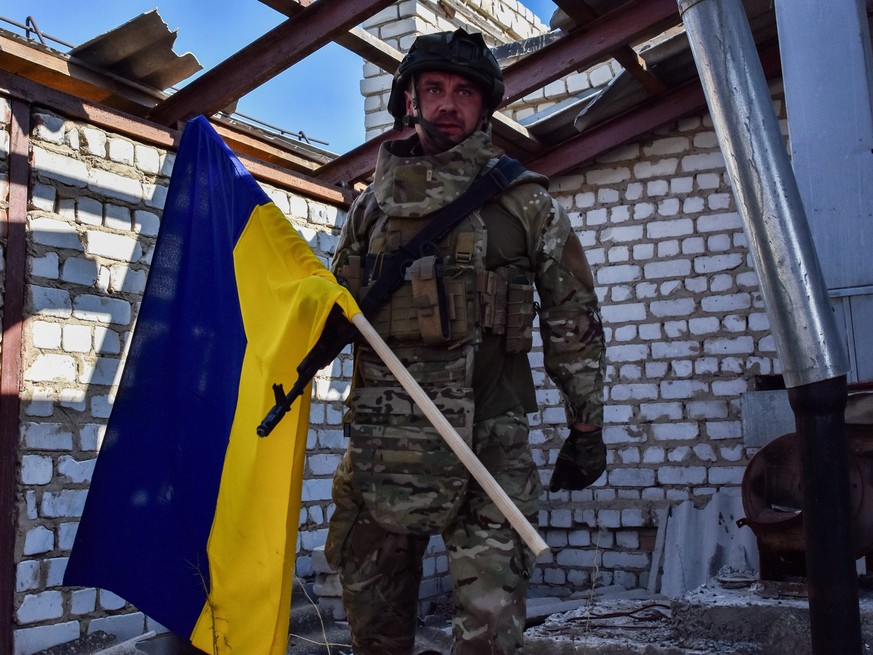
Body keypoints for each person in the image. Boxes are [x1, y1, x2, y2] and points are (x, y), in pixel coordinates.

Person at [325, 28, 606, 655]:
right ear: (409, 101)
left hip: (491, 441)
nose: (449, 104)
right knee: (372, 621)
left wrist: (586, 426)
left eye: (464, 93)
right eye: (434, 90)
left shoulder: (525, 204)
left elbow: (573, 318)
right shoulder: (370, 209)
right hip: (385, 442)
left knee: (489, 630)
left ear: (486, 106)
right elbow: (331, 310)